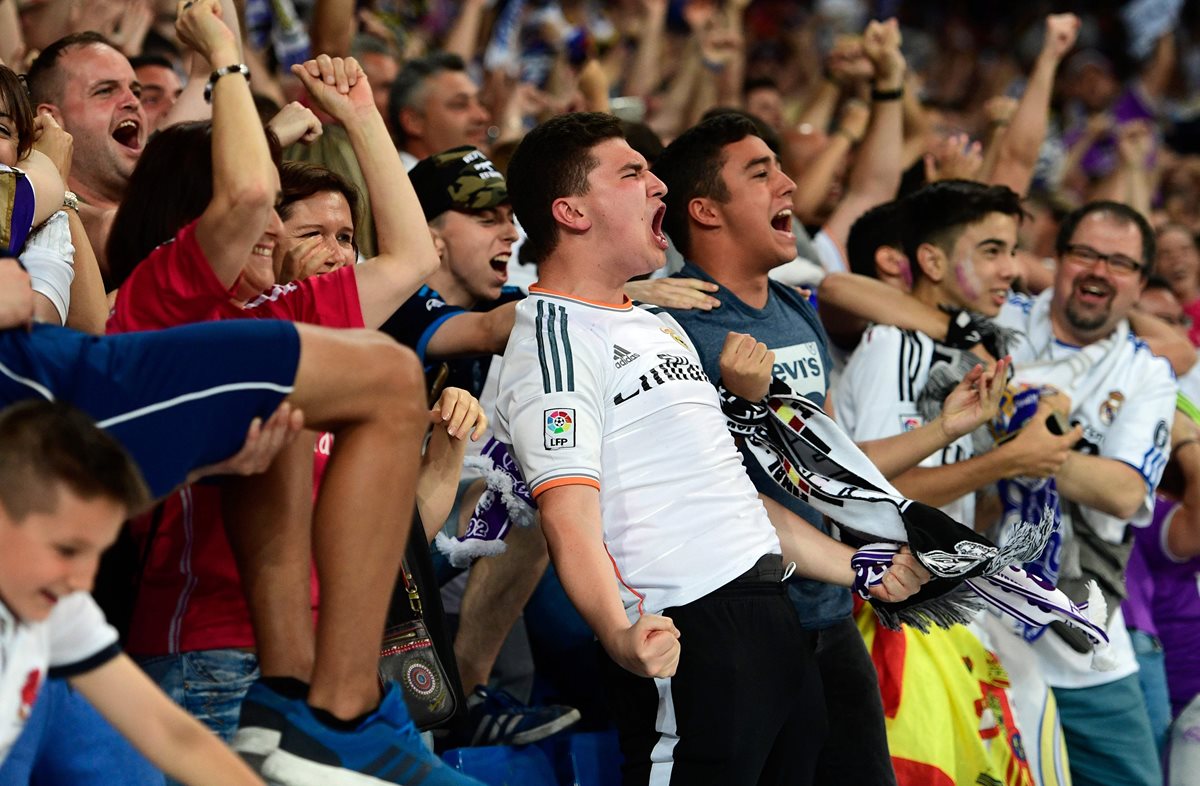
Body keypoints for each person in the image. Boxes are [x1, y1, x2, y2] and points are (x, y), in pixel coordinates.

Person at [496, 111, 928, 785]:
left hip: (773, 618)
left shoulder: (656, 323)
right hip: (689, 637)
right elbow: (568, 514)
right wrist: (616, 632)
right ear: (571, 211)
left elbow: (735, 495)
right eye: (633, 173)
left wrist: (859, 567)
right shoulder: (553, 337)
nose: (658, 186)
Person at [652, 114, 1017, 786]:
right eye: (761, 173)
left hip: (830, 616)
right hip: (738, 629)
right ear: (704, 210)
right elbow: (721, 494)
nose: (788, 183)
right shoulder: (672, 333)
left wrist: (945, 429)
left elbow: (829, 464)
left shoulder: (794, 311)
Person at [0, 399, 265, 786]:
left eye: (97, 554)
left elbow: (173, 735)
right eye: (67, 550)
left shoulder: (55, 602)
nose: (83, 582)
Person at [387, 53, 490, 170]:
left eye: (481, 103)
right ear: (413, 121)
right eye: (460, 105)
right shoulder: (392, 185)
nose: (482, 117)